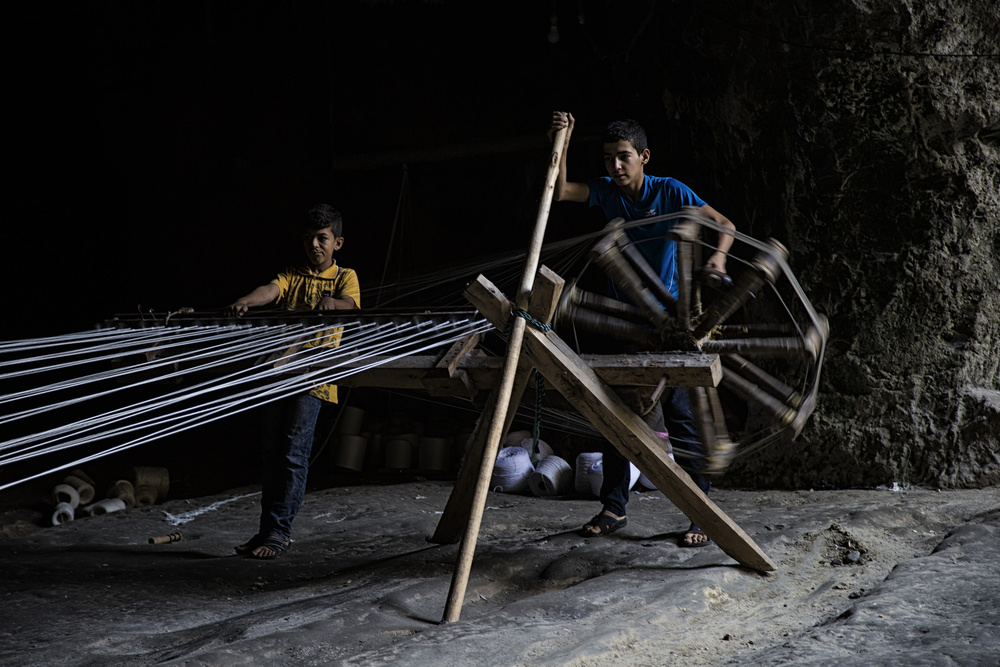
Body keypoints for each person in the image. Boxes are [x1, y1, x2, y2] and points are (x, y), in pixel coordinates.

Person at [549, 111, 736, 547]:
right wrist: (565, 138)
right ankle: (614, 507)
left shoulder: (669, 191)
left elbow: (724, 226)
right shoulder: (606, 193)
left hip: (673, 324)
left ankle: (699, 512)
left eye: (624, 157)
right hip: (626, 324)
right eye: (609, 158)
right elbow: (559, 191)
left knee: (682, 420)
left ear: (644, 157)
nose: (616, 167)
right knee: (617, 417)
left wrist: (718, 257)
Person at [227, 203, 360, 559]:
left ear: (338, 243)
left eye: (322, 238)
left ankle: (280, 534)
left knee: (292, 456)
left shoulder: (345, 277)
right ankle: (265, 531)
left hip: (313, 380)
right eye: (308, 239)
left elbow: (350, 304)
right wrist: (247, 301)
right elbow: (270, 290)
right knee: (272, 455)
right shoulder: (292, 274)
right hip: (278, 375)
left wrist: (334, 305)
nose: (314, 245)